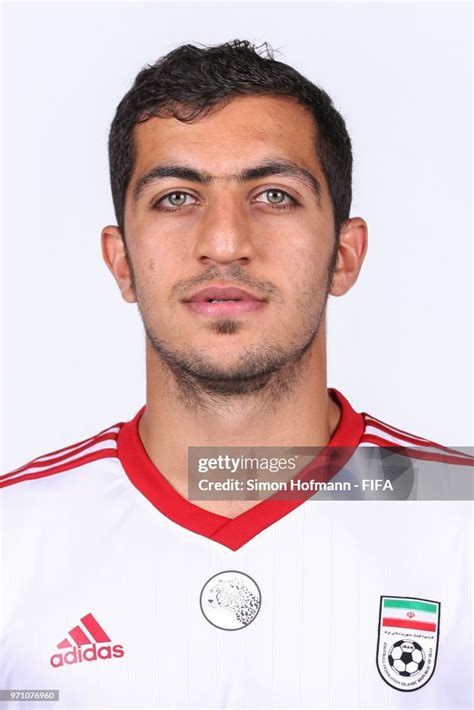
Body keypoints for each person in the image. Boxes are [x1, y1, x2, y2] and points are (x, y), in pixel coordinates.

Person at [1, 40, 472, 710]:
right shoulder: (12, 539)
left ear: (344, 254)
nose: (224, 242)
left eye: (274, 195)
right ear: (123, 262)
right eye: (176, 197)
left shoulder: (460, 522)